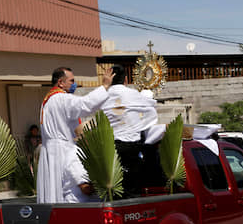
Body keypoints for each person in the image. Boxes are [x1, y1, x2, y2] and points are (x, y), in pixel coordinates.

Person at [37, 67, 112, 203]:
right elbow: (85, 104)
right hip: (61, 149)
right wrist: (105, 86)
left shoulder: (48, 100)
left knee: (54, 192)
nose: (74, 84)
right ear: (60, 82)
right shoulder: (61, 98)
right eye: (71, 81)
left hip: (52, 150)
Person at [101, 65, 159, 197]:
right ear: (126, 79)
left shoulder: (102, 97)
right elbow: (150, 110)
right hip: (131, 146)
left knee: (113, 189)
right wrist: (139, 126)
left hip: (109, 147)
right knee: (132, 187)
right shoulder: (133, 95)